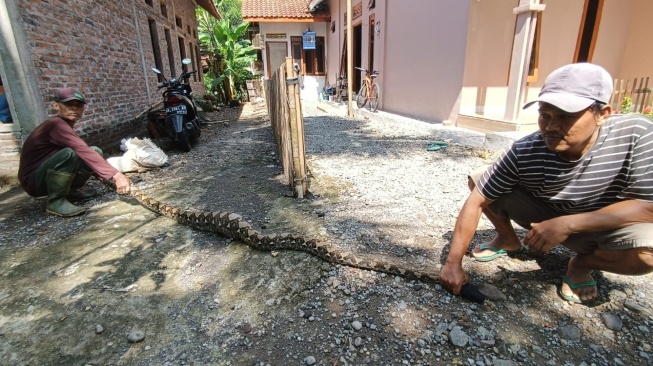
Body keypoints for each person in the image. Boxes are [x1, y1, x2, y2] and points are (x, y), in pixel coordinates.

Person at [438, 63, 653, 304]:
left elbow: (648, 207)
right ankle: (508, 239)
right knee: (481, 179)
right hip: (546, 214)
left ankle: (582, 264)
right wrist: (452, 264)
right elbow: (477, 201)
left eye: (566, 117)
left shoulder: (637, 134)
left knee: (648, 254)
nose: (551, 127)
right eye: (545, 115)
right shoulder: (526, 150)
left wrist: (568, 224)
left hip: (602, 224)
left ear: (603, 114)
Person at [18, 87, 132, 217]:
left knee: (95, 150)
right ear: (56, 106)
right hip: (33, 181)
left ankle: (69, 191)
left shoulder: (64, 124)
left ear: (83, 109)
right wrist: (117, 176)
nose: (74, 108)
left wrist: (105, 177)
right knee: (70, 153)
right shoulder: (56, 125)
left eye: (78, 105)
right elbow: (81, 149)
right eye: (68, 104)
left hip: (44, 175)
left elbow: (87, 153)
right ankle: (56, 201)